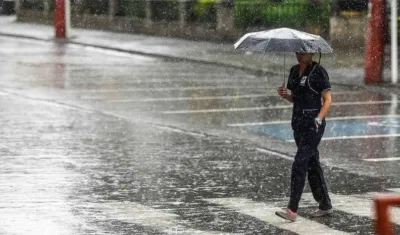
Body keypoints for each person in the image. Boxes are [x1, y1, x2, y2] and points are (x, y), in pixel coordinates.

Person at [275, 52, 333, 222]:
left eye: (304, 52)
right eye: (298, 51)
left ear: (312, 53)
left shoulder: (318, 71)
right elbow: (297, 98)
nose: (300, 55)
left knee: (299, 164)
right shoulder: (293, 71)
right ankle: (325, 204)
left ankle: (292, 209)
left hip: (313, 126)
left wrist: (318, 119)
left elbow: (328, 100)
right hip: (298, 124)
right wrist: (285, 95)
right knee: (312, 164)